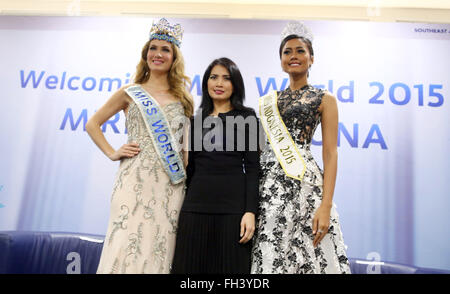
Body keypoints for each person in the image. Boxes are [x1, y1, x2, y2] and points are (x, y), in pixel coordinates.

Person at [86, 18, 193, 274]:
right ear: (145, 54)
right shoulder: (130, 92)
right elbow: (93, 124)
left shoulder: (184, 98)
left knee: (161, 242)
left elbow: (185, 149)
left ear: (174, 57)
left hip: (171, 184)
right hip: (133, 180)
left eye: (165, 49)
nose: (158, 54)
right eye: (153, 48)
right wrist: (113, 152)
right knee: (126, 239)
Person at [251, 21, 351, 274]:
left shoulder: (325, 99)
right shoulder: (268, 100)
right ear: (281, 60)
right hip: (268, 185)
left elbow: (330, 153)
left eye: (299, 50)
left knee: (305, 250)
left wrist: (326, 205)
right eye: (287, 52)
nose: (293, 56)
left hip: (304, 184)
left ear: (311, 58)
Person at [171, 57, 260, 274]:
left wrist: (250, 211)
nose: (219, 84)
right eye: (214, 77)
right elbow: (190, 170)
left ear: (235, 84)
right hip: (195, 209)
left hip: (233, 212)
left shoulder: (248, 117)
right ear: (206, 83)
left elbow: (253, 169)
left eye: (226, 78)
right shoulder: (193, 120)